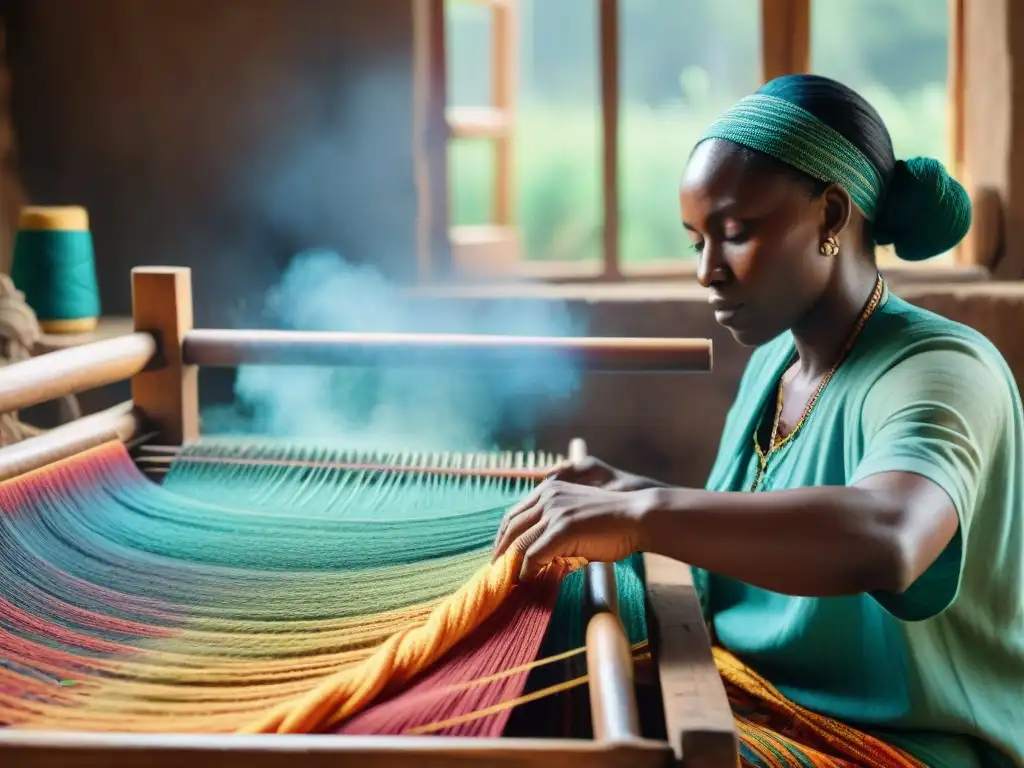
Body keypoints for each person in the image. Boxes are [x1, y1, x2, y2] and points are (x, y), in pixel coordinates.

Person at [492, 74, 1024, 768]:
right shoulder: (778, 362)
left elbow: (891, 536)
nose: (708, 270)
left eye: (736, 234)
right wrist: (627, 490)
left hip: (899, 749)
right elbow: (758, 535)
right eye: (695, 241)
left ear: (833, 218)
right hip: (752, 699)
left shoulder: (942, 370)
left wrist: (646, 515)